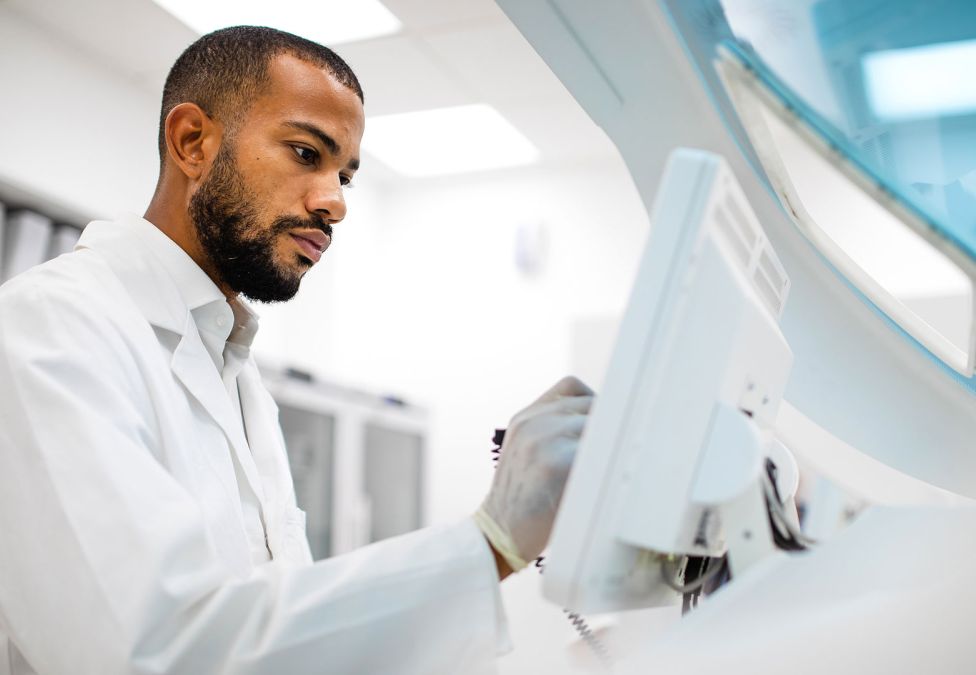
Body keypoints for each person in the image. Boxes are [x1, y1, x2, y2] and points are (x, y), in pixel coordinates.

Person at [0, 26, 593, 675]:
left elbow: (274, 627)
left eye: (345, 174)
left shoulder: (237, 374)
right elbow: (154, 649)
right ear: (193, 142)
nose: (334, 201)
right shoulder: (49, 327)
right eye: (307, 152)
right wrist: (489, 545)